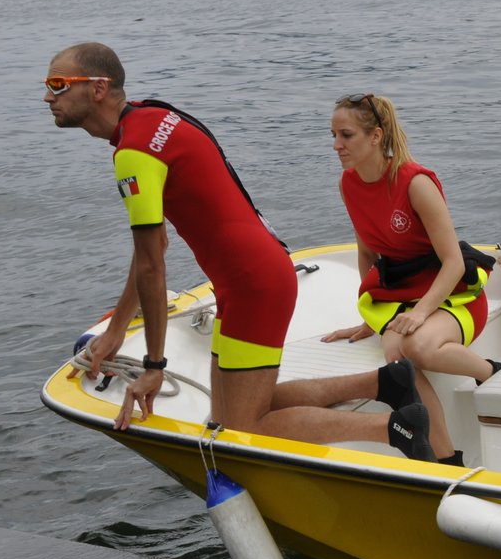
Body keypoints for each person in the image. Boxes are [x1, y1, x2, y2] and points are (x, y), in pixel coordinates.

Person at [44, 42, 434, 460]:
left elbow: (152, 266)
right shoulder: (153, 116)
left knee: (246, 427)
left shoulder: (134, 152)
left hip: (254, 285)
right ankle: (384, 384)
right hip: (249, 276)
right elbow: (152, 249)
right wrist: (117, 329)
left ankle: (397, 428)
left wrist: (154, 366)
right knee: (224, 417)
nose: (48, 97)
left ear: (99, 88)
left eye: (58, 84)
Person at [323, 93, 497, 466]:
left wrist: (419, 313)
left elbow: (452, 261)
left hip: (452, 292)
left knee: (418, 347)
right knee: (400, 361)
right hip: (401, 294)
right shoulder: (348, 184)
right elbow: (368, 253)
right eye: (333, 135)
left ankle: (491, 372)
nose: (337, 145)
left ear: (376, 136)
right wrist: (373, 318)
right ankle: (448, 459)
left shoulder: (415, 183)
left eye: (346, 135)